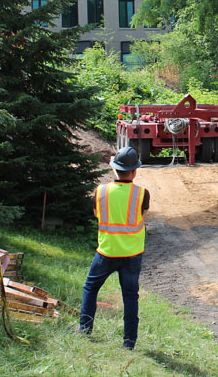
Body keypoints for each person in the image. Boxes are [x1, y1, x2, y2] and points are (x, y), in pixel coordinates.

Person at [79, 145, 150, 350]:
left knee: (90, 288)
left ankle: (85, 330)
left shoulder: (100, 191)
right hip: (132, 254)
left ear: (113, 169)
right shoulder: (142, 194)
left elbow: (96, 215)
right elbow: (141, 216)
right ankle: (129, 342)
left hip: (107, 251)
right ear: (135, 171)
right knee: (130, 296)